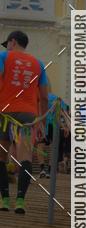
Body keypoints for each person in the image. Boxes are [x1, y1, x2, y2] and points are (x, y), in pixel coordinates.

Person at [0, 30, 49, 213]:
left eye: (8, 44)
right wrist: (42, 120)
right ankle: (20, 200)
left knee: (2, 157)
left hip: (4, 112)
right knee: (26, 157)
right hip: (28, 115)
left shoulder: (3, 57)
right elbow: (44, 97)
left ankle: (4, 199)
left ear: (12, 42)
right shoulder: (38, 63)